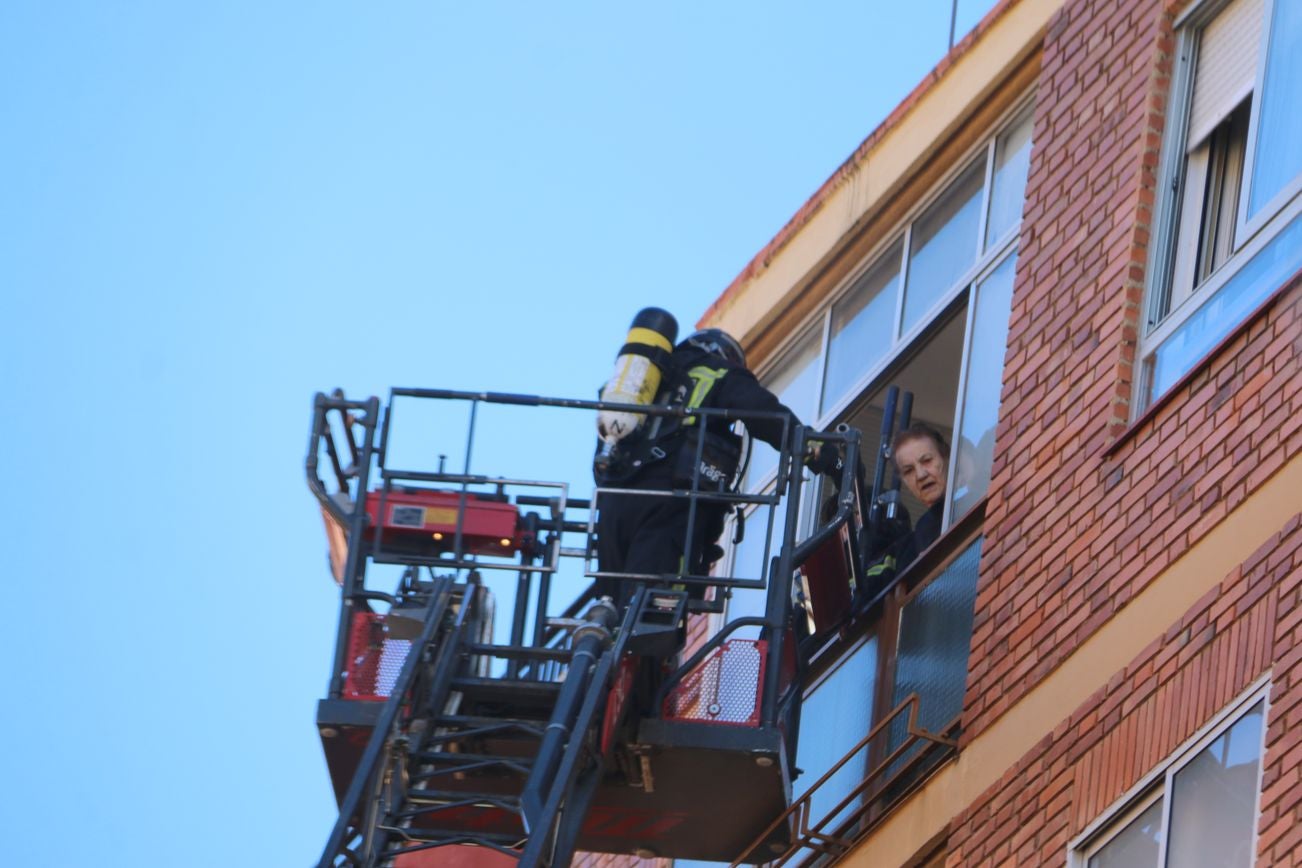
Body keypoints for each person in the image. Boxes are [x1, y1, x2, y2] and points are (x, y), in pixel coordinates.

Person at [593, 327, 836, 609]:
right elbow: (764, 414)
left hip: (613, 506)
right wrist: (816, 450)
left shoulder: (636, 388)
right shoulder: (718, 373)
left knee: (609, 606)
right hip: (669, 505)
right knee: (651, 614)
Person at [861, 423, 950, 593]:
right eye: (909, 471)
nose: (921, 475)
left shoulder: (971, 499)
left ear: (945, 457)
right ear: (903, 480)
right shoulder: (908, 547)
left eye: (927, 461)